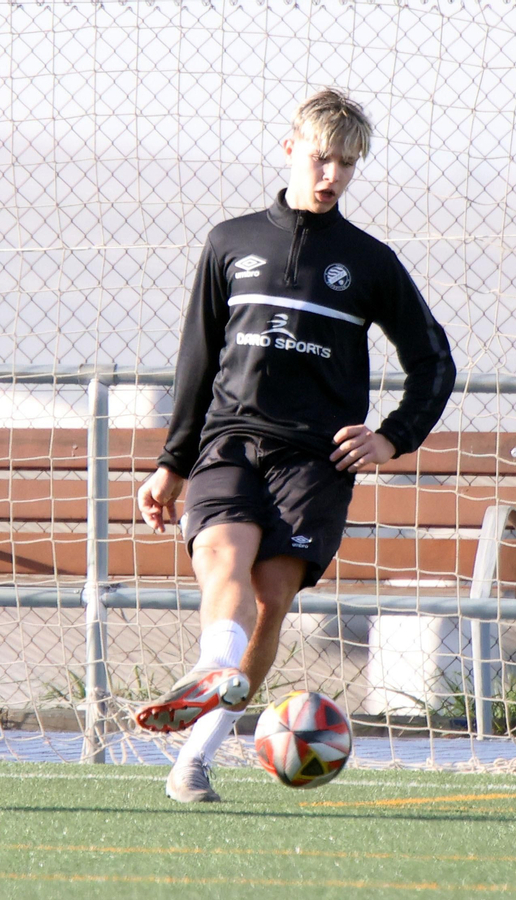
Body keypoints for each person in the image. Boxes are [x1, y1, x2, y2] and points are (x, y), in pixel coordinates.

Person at [133, 88, 456, 802]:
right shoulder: (230, 241)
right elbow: (196, 360)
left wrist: (393, 437)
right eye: (321, 158)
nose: (331, 175)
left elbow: (434, 362)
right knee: (224, 558)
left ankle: (194, 759)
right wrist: (171, 462)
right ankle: (214, 671)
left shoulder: (370, 263)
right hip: (228, 439)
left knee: (271, 595)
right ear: (290, 149)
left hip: (314, 459)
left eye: (346, 164)